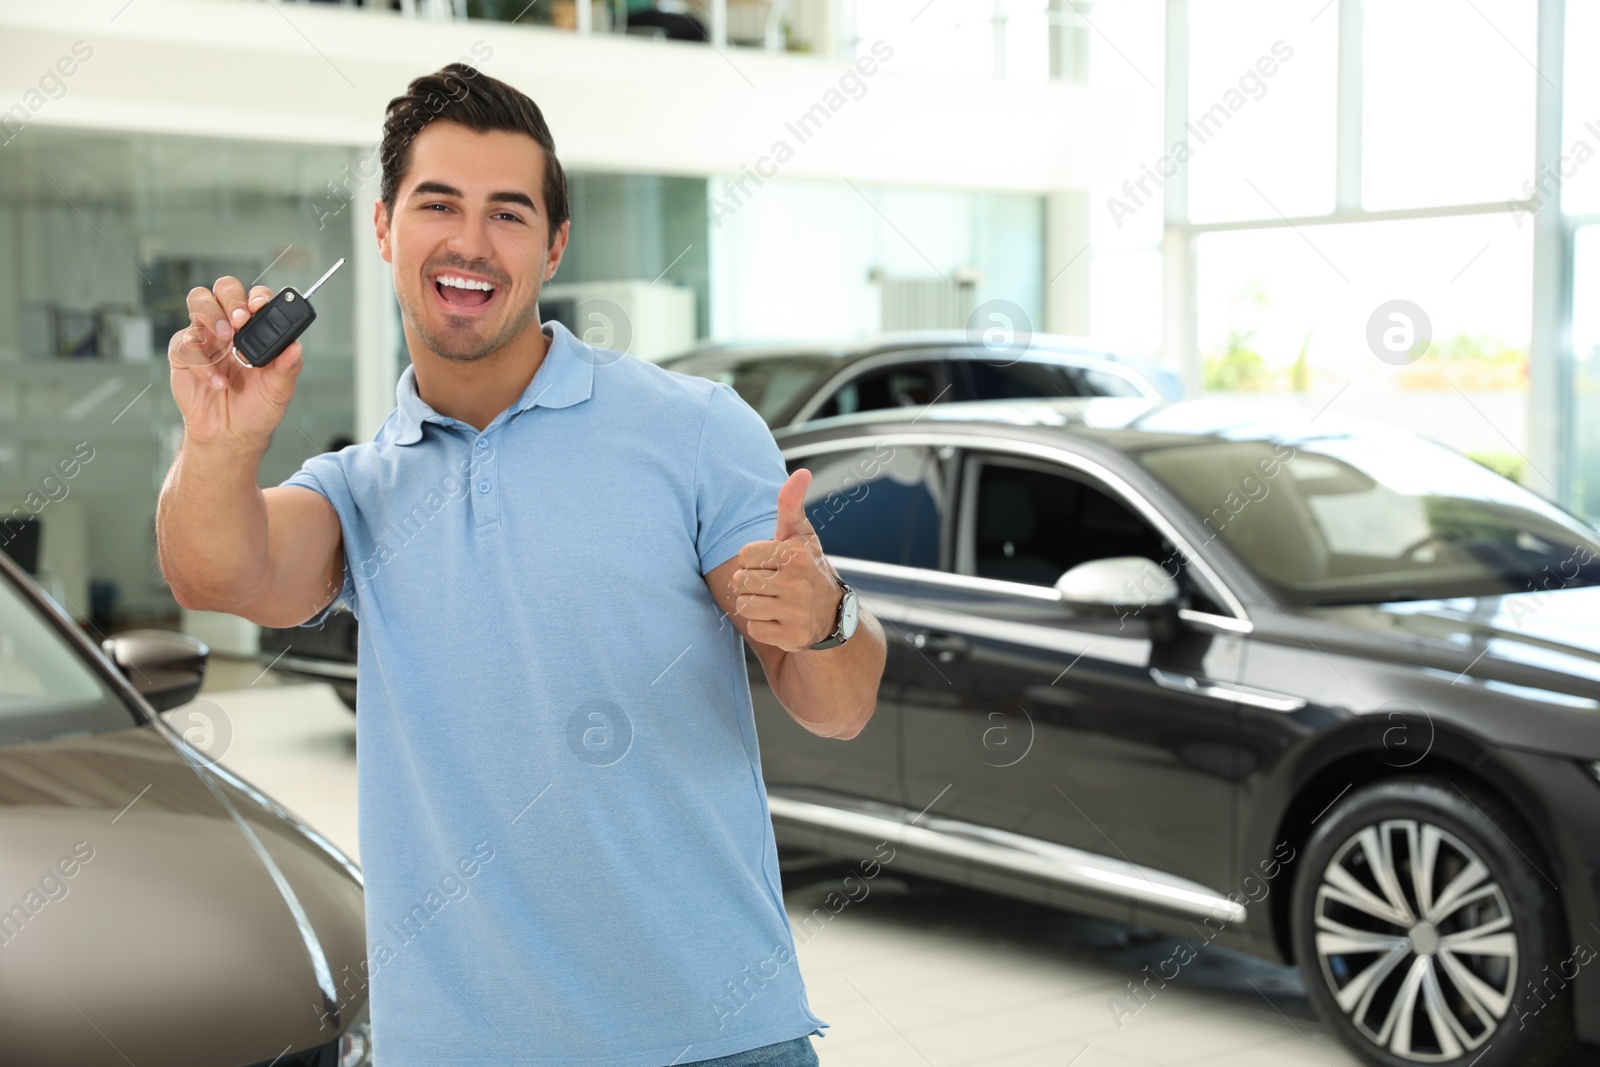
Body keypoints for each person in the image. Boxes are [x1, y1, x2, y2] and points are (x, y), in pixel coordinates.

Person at [156, 62, 886, 1067]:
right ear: (383, 230)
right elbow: (215, 572)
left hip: (710, 1040)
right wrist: (219, 444)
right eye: (438, 204)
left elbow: (837, 704)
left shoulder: (695, 431)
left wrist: (829, 619)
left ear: (554, 245)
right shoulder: (360, 487)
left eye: (508, 212)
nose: (469, 240)